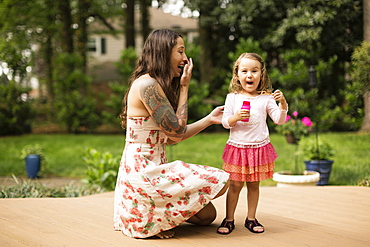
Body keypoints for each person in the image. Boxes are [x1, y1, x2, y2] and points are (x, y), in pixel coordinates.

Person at [113, 29, 230, 239]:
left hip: (158, 169)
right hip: (144, 173)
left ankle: (160, 216)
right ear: (164, 53)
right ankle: (154, 219)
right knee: (220, 182)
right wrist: (184, 88)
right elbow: (177, 133)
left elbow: (173, 138)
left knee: (207, 216)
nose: (185, 59)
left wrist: (209, 119)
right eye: (180, 51)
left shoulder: (155, 84)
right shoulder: (148, 85)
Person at [216, 53, 288, 235]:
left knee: (254, 185)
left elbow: (279, 120)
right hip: (238, 148)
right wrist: (235, 117)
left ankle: (251, 218)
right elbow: (225, 122)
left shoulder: (266, 98)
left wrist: (283, 104)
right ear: (237, 75)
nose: (250, 75)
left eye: (254, 71)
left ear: (261, 75)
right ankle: (229, 219)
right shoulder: (232, 98)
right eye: (245, 71)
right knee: (235, 185)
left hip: (258, 148)